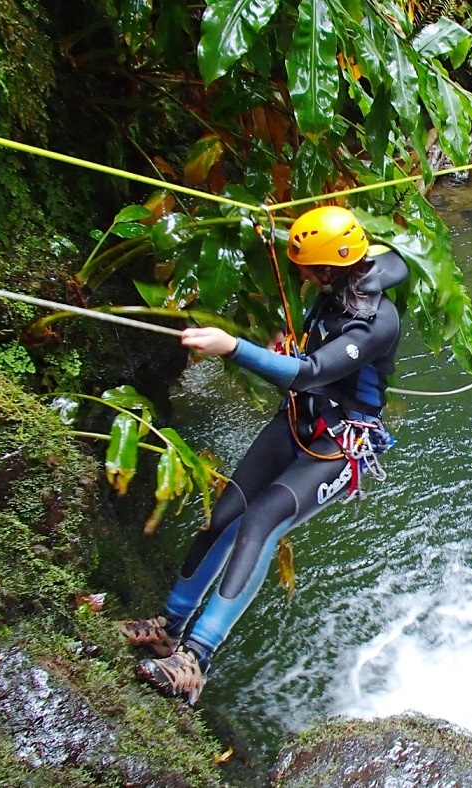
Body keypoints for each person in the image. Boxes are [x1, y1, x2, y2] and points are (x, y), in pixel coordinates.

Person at [117, 205, 408, 704]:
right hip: (298, 418)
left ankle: (196, 659)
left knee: (261, 520)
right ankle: (169, 627)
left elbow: (309, 372)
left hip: (341, 442)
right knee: (224, 515)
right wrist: (263, 224)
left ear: (330, 270)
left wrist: (233, 347)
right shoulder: (344, 278)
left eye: (308, 270)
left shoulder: (375, 321)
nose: (302, 277)